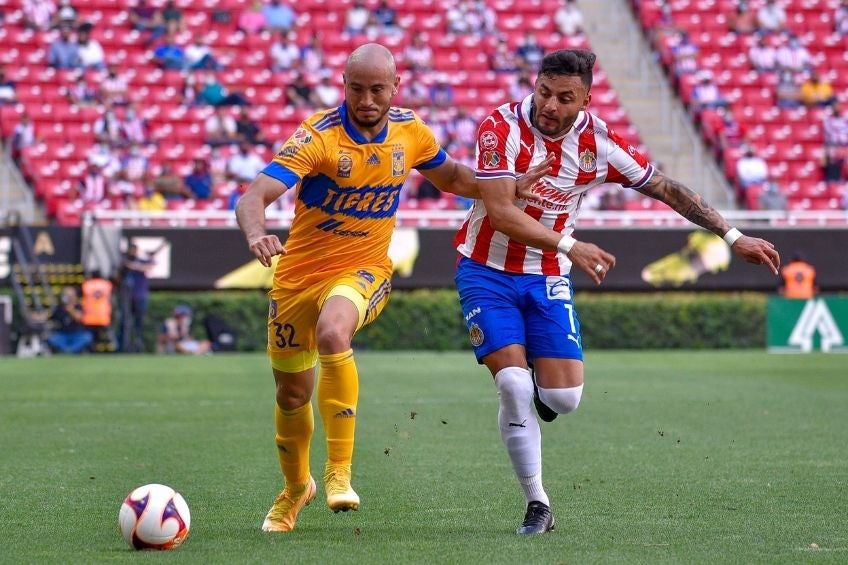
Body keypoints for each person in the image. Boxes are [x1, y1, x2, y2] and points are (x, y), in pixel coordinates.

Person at [454, 49, 781, 535]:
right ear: (535, 84)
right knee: (514, 386)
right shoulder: (499, 128)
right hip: (486, 270)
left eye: (565, 98)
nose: (550, 105)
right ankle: (538, 503)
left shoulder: (598, 144)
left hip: (546, 274)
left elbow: (667, 189)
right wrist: (572, 243)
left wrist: (733, 236)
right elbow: (500, 212)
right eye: (544, 92)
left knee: (563, 400)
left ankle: (542, 392)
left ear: (586, 98)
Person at [234, 42, 549, 533]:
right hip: (296, 278)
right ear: (343, 84)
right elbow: (255, 195)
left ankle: (339, 472)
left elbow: (452, 176)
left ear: (395, 87)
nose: (366, 99)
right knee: (292, 396)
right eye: (356, 88)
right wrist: (257, 232)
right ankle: (297, 487)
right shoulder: (318, 137)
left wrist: (503, 187)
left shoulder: (410, 131)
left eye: (377, 89)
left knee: (335, 333)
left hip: (364, 270)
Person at [118, 242, 155, 352]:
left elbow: (149, 266)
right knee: (125, 322)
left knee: (139, 323)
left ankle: (138, 346)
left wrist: (134, 265)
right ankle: (123, 347)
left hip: (139, 296)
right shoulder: (124, 263)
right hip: (127, 297)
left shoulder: (139, 261)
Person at [46, 286, 93, 354]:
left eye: (71, 295)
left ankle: (69, 351)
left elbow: (79, 318)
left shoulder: (79, 306)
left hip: (77, 334)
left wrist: (70, 309)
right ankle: (67, 350)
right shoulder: (59, 308)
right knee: (52, 338)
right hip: (63, 334)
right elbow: (49, 316)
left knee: (87, 337)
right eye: (67, 295)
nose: (69, 297)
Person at [81, 270, 115, 352]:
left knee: (91, 337)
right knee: (105, 337)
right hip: (103, 315)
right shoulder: (107, 284)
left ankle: (91, 350)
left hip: (90, 316)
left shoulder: (87, 284)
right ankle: (110, 350)